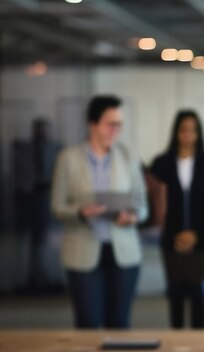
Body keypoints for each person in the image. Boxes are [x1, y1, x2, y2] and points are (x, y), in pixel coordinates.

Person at [51, 95, 147, 328]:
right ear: (92, 123)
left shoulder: (128, 157)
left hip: (123, 251)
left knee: (119, 323)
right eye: (110, 123)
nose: (116, 130)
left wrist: (132, 217)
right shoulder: (68, 158)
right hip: (82, 249)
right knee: (88, 323)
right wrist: (82, 212)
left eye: (119, 124)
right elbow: (57, 206)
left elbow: (143, 206)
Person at [151, 110, 204, 329]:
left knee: (198, 293)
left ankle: (199, 344)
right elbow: (157, 203)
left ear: (199, 133)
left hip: (201, 239)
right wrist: (176, 235)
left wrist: (194, 234)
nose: (188, 134)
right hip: (171, 239)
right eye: (184, 129)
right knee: (175, 293)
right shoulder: (161, 163)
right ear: (176, 132)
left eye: (193, 130)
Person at [13, 118, 61, 291]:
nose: (42, 133)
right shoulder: (24, 149)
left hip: (47, 199)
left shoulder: (54, 149)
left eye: (44, 129)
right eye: (39, 129)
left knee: (43, 241)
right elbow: (22, 177)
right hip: (31, 200)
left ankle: (42, 275)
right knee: (35, 242)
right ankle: (35, 276)